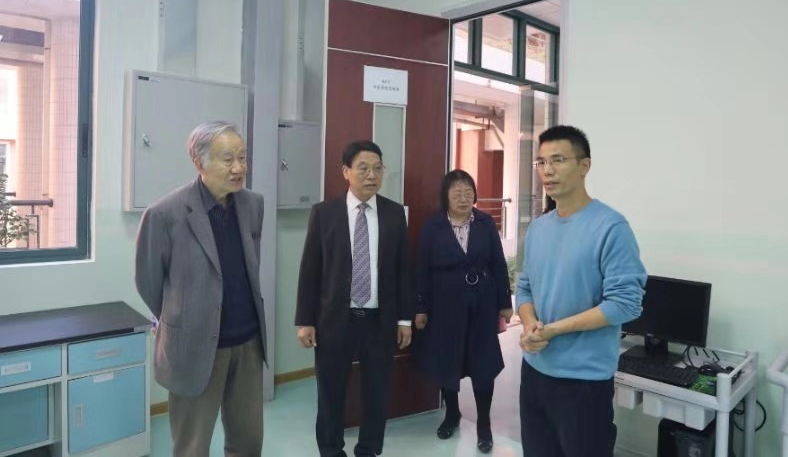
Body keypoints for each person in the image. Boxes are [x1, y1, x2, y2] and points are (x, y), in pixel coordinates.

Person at [134, 121, 267, 457]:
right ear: (199, 161)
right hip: (193, 347)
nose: (238, 168)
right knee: (191, 447)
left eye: (242, 157)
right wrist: (178, 317)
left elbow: (250, 267)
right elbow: (148, 281)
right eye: (228, 159)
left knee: (249, 443)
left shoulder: (253, 205)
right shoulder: (164, 214)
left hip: (248, 343)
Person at [516, 125, 646, 457]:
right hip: (534, 373)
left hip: (583, 382)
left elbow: (626, 303)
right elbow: (525, 288)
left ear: (584, 165)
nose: (547, 170)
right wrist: (530, 325)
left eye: (558, 160)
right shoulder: (538, 229)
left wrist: (554, 330)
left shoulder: (611, 227)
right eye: (542, 162)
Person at [295, 140, 415, 457]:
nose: (371, 175)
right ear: (346, 171)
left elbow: (403, 270)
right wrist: (305, 321)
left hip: (379, 320)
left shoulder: (394, 214)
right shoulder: (324, 213)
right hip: (335, 320)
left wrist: (404, 318)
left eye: (377, 168)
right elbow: (310, 271)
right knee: (330, 393)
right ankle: (331, 451)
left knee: (377, 393)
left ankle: (368, 450)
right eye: (363, 168)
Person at [413, 169, 512, 453]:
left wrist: (505, 303)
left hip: (482, 305)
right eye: (457, 192)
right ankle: (452, 414)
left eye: (468, 192)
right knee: (447, 362)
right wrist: (420, 308)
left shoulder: (485, 223)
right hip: (444, 308)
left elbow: (498, 264)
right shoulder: (433, 227)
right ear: (445, 196)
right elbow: (421, 270)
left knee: (483, 364)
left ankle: (484, 424)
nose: (463, 197)